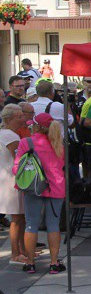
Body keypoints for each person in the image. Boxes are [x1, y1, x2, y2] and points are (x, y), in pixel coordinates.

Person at [13, 113, 66, 274]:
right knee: (53, 226)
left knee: (31, 224)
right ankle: (54, 263)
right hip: (55, 187)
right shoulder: (58, 143)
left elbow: (17, 167)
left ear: (37, 127)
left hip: (33, 187)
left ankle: (30, 263)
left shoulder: (26, 142)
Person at [0, 104, 26, 265]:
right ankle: (16, 253)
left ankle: (22, 249)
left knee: (20, 217)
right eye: (19, 117)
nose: (22, 120)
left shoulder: (5, 133)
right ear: (9, 119)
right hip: (12, 180)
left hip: (8, 178)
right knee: (17, 218)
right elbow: (18, 159)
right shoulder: (11, 136)